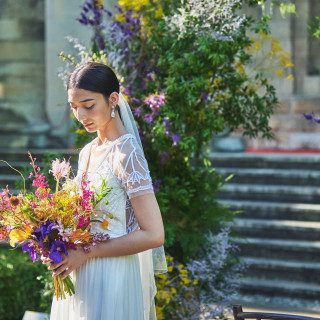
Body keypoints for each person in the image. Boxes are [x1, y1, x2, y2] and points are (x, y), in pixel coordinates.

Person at [45, 61, 167, 320]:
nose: (81, 115)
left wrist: (87, 252)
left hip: (113, 274)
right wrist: (57, 245)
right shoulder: (87, 152)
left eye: (88, 105)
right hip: (81, 273)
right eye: (74, 107)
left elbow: (154, 235)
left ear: (113, 99)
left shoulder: (127, 154)